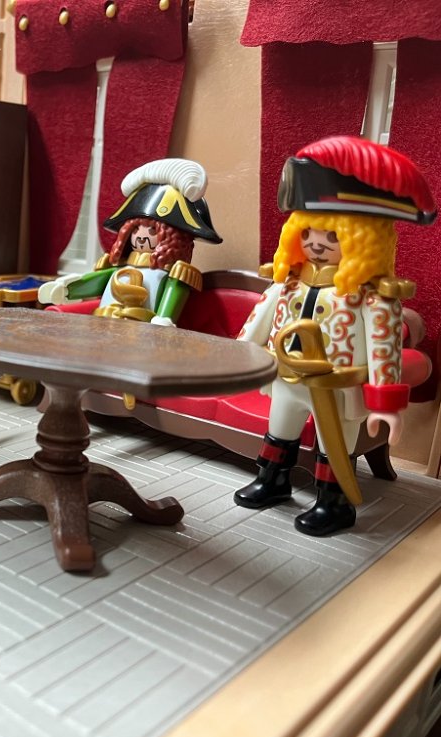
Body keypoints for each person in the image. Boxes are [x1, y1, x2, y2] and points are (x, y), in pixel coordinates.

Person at [235, 135, 436, 536]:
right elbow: (256, 323)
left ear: (364, 243)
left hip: (338, 388)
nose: (316, 244)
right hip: (287, 377)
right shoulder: (287, 282)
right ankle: (272, 480)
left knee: (335, 447)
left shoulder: (371, 298)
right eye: (308, 233)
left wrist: (386, 404)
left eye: (332, 237)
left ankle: (334, 502)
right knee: (279, 431)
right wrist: (238, 357)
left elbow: (384, 349)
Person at [38, 158, 222, 325]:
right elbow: (99, 281)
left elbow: (173, 293)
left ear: (173, 237)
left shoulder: (175, 271)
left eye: (152, 230)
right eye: (135, 229)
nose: (141, 236)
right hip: (105, 324)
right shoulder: (121, 265)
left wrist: (164, 318)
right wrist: (67, 289)